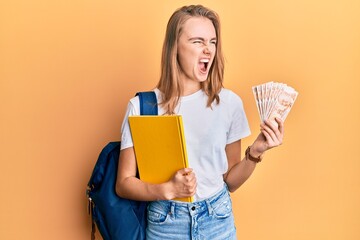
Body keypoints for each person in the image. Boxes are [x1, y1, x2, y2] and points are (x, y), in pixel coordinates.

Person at [116, 5, 284, 240]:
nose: (208, 49)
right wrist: (166, 190)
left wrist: (255, 153)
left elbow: (230, 182)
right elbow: (123, 183)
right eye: (197, 41)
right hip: (166, 223)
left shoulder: (229, 103)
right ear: (175, 48)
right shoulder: (142, 107)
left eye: (213, 42)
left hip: (217, 220)